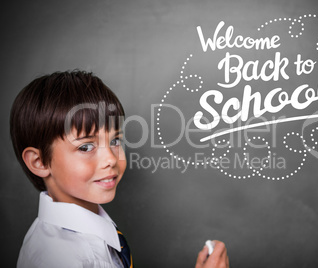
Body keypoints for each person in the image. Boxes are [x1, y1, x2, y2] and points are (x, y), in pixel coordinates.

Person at [11, 70, 230, 268]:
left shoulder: (89, 227)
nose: (110, 159)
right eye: (86, 147)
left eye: (115, 141)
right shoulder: (60, 258)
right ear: (39, 162)